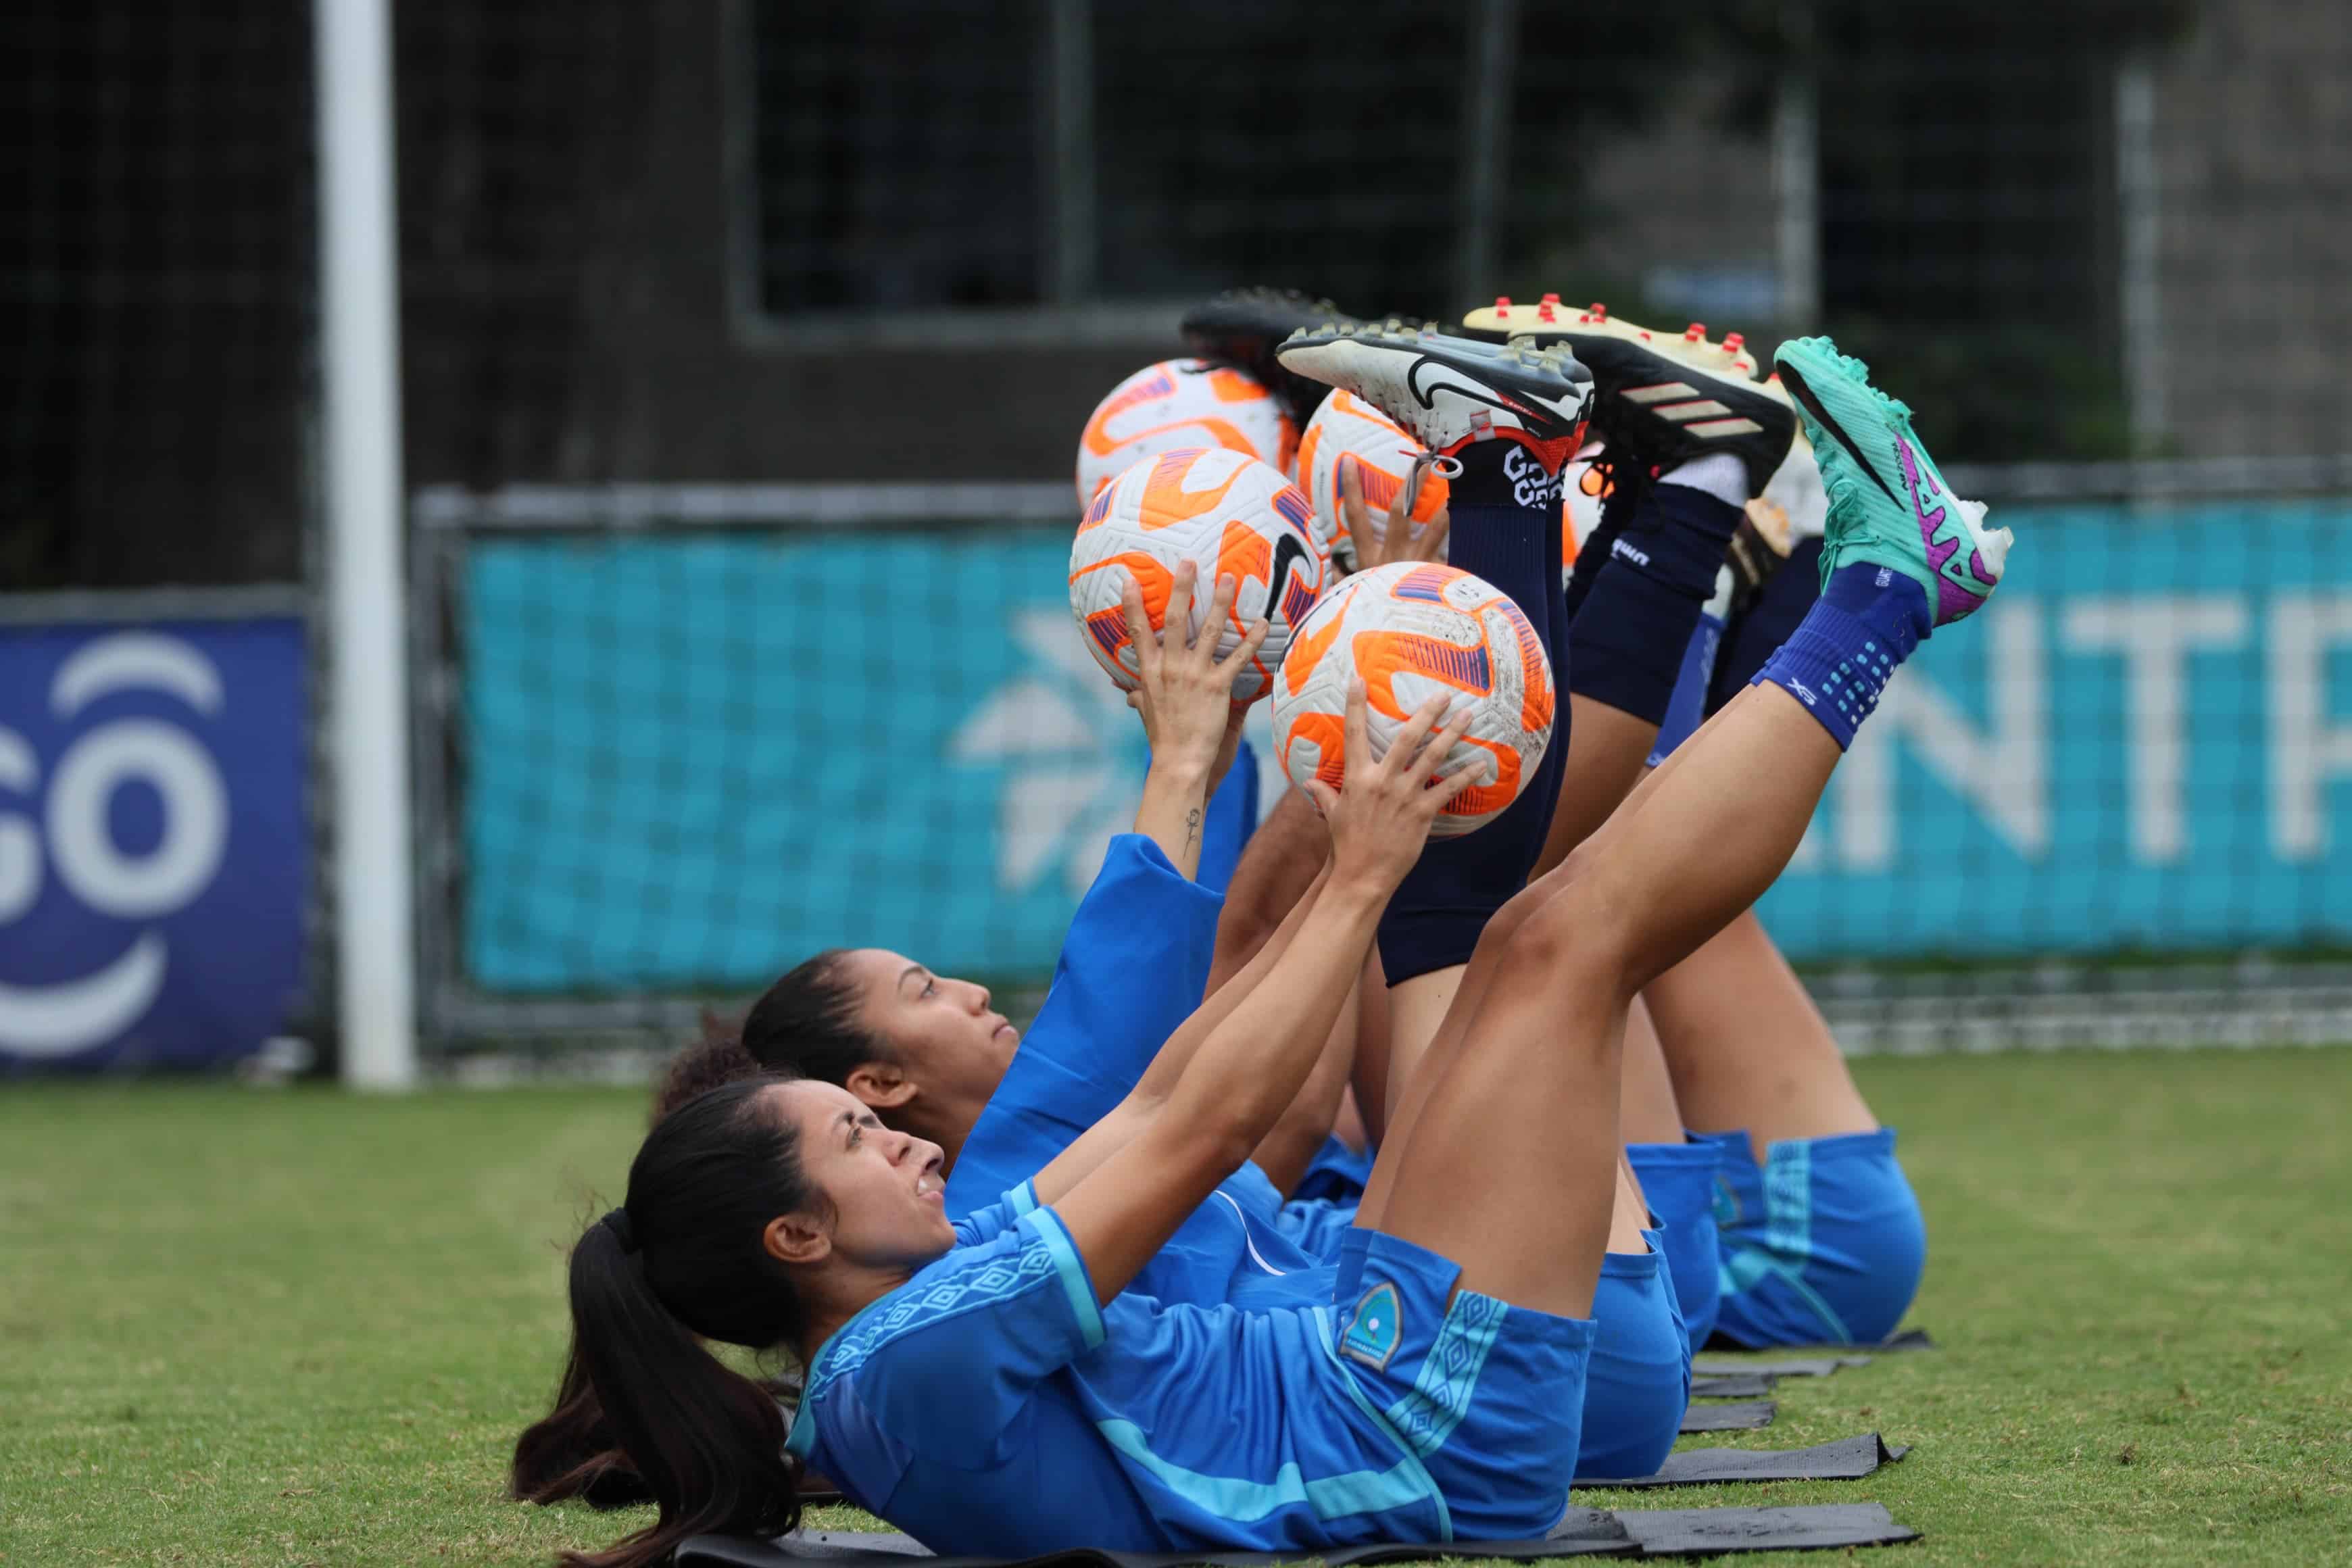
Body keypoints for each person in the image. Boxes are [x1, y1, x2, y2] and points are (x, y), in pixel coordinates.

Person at [535, 333, 2011, 1563]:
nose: (904, 1146)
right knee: (1564, 936)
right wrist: (1355, 876)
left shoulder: (934, 1291)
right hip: (1426, 1429)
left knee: (1537, 934)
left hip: (1385, 1361)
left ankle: (1746, 537)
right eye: (860, 1136)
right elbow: (1209, 1123)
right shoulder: (899, 1370)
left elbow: (1179, 1099)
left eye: (871, 1123)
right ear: (798, 1239)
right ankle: (1873, 585)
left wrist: (1323, 853)